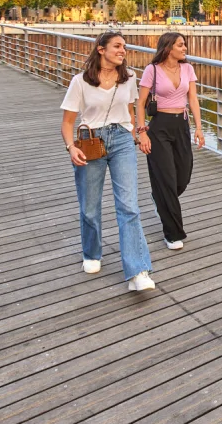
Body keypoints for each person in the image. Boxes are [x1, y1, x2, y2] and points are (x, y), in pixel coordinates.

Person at [60, 31, 155, 292]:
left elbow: (130, 111)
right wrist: (71, 148)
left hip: (122, 140)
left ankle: (138, 271)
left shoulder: (130, 78)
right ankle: (92, 252)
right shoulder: (80, 82)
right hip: (90, 142)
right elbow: (67, 123)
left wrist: (138, 132)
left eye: (124, 47)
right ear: (101, 49)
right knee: (89, 206)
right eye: (117, 46)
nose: (122, 50)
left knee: (129, 206)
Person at [136, 32, 205, 249]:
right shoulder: (152, 70)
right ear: (168, 47)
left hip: (181, 124)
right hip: (159, 128)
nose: (184, 48)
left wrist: (199, 128)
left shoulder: (187, 68)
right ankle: (173, 234)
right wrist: (142, 132)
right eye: (180, 45)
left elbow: (192, 99)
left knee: (182, 176)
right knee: (166, 179)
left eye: (184, 45)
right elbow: (140, 103)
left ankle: (161, 197)